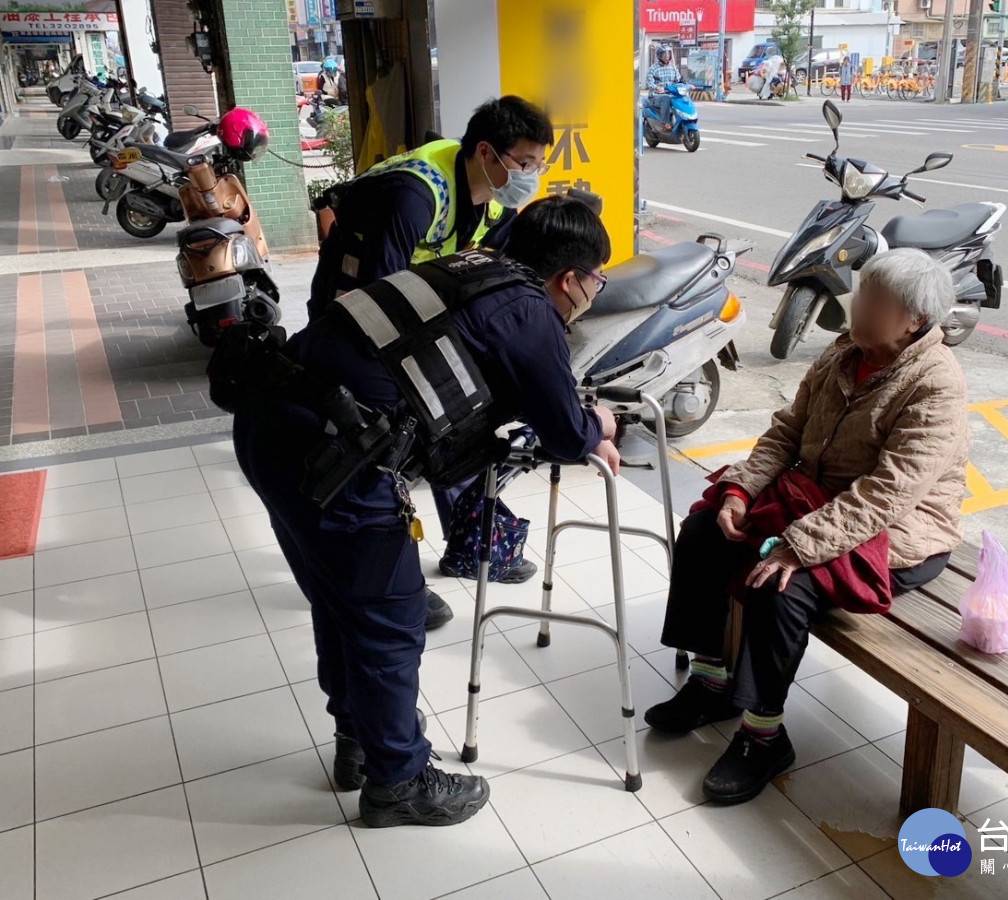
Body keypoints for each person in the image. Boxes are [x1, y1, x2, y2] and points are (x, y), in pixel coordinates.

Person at [233, 196, 621, 828]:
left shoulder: (465, 266)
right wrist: (597, 423)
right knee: (390, 615)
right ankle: (399, 781)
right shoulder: (530, 311)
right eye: (596, 280)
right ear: (569, 279)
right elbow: (565, 430)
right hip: (335, 461)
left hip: (269, 426)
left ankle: (360, 740)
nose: (593, 293)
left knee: (340, 601)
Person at [643, 248, 969, 805]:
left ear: (913, 319)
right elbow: (786, 433)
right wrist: (743, 489)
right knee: (706, 530)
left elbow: (887, 493)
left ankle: (763, 735)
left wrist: (798, 545)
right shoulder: (844, 352)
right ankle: (712, 680)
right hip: (818, 502)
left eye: (872, 298)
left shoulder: (936, 385)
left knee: (780, 584)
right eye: (862, 290)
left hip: (897, 531)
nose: (856, 302)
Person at [310, 95, 556, 618]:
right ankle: (393, 583)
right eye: (525, 163)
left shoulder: (490, 196)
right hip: (352, 324)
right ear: (488, 152)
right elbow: (377, 302)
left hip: (410, 317)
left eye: (539, 164)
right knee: (378, 450)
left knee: (452, 423)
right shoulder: (413, 195)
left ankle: (470, 542)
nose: (531, 175)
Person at [646, 46, 681, 129]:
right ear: (659, 56)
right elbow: (649, 82)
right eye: (664, 54)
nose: (667, 56)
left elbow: (679, 80)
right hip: (656, 96)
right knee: (666, 98)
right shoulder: (653, 68)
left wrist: (687, 85)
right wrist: (656, 88)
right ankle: (665, 122)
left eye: (668, 54)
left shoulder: (673, 67)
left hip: (671, 93)